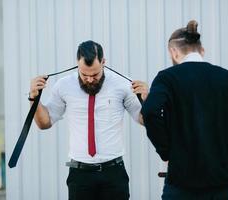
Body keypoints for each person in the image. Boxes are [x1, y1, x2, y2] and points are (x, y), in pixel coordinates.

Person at [141, 20, 228, 200]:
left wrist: (167, 151)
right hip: (219, 183)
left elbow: (150, 112)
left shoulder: (167, 78)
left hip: (181, 182)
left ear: (173, 52)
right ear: (202, 50)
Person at [29, 40, 148, 200]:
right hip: (80, 175)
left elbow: (143, 119)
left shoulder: (123, 84)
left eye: (95, 75)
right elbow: (45, 123)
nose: (90, 79)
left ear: (104, 62)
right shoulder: (63, 85)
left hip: (113, 173)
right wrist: (34, 99)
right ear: (77, 64)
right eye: (84, 74)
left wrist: (146, 101)